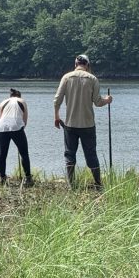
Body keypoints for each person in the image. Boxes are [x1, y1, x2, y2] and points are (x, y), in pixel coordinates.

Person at [53, 54, 113, 189]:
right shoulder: (93, 79)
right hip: (88, 124)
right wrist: (107, 100)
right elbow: (98, 102)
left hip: (70, 124)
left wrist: (56, 116)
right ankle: (98, 184)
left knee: (69, 154)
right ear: (88, 65)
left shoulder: (66, 77)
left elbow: (57, 100)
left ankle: (71, 185)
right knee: (91, 154)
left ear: (76, 65)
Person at [0, 88, 32, 186]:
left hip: (2, 127)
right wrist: (19, 130)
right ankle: (28, 178)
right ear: (19, 96)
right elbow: (24, 121)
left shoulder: (3, 102)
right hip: (17, 127)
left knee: (2, 154)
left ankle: (2, 178)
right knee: (24, 153)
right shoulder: (22, 101)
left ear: (10, 96)